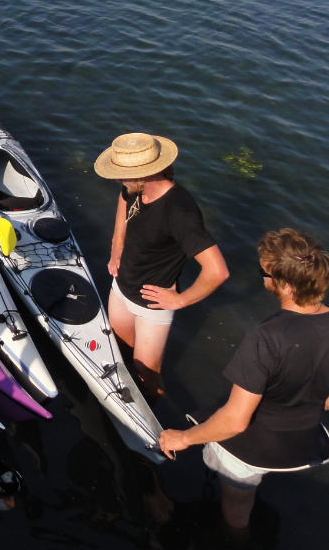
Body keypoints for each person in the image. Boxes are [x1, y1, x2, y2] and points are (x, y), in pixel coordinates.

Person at [158, 229, 329, 535]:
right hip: (300, 443)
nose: (262, 278)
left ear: (285, 286)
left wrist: (183, 438)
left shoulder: (266, 337)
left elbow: (236, 422)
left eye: (263, 272)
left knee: (237, 508)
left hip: (251, 449)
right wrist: (298, 407)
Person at [94, 132, 228, 398]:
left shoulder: (180, 213)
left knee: (147, 374)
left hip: (152, 306)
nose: (119, 180)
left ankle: (155, 419)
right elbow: (123, 202)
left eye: (121, 175)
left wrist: (181, 299)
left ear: (143, 175)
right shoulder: (133, 189)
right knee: (120, 349)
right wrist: (116, 247)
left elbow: (218, 271)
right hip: (121, 288)